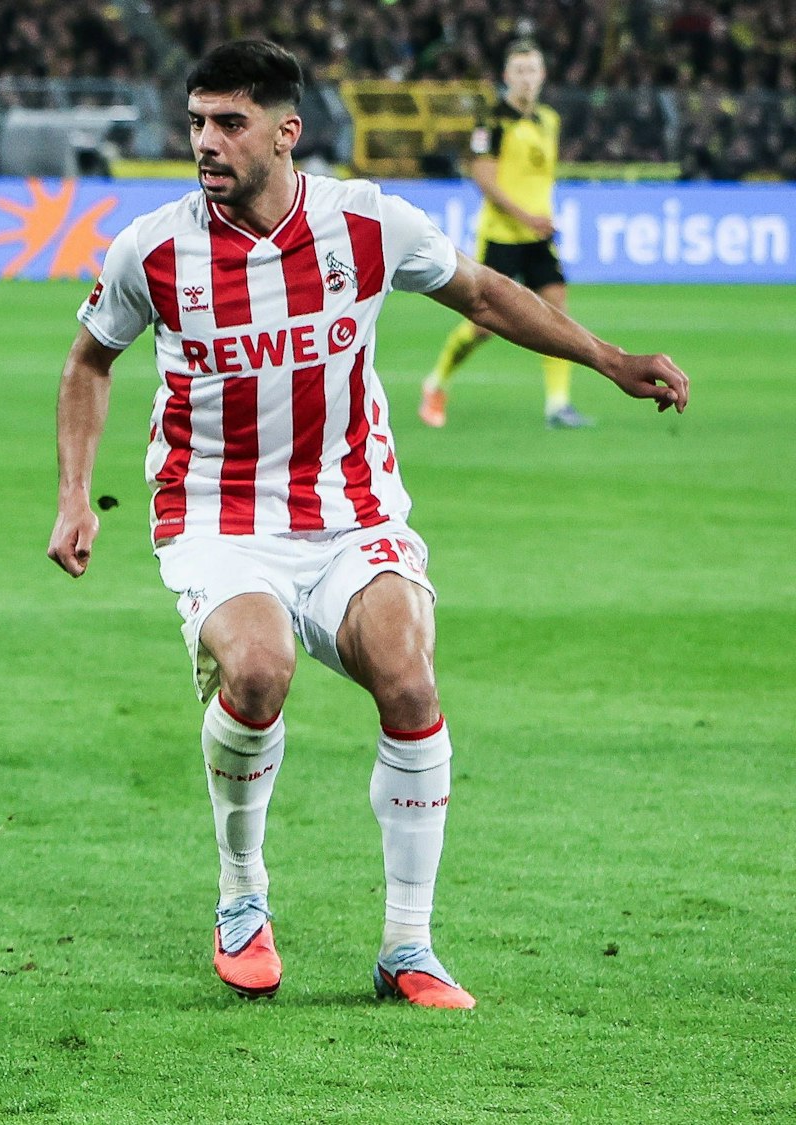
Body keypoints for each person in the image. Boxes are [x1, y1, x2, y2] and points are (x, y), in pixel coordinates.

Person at [48, 40, 686, 1009]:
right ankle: (239, 894)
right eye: (194, 123)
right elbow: (87, 361)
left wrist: (605, 358)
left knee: (406, 674)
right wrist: (72, 497)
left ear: (283, 130)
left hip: (350, 510)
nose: (204, 144)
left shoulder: (363, 223)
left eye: (227, 123)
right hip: (217, 515)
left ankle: (405, 947)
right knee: (257, 670)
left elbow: (479, 293)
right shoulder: (152, 248)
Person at [419, 42, 589, 429]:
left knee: (558, 316)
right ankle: (436, 384)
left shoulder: (548, 120)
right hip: (502, 236)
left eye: (533, 70)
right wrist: (527, 216)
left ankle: (558, 405)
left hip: (538, 237)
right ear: (506, 77)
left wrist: (540, 218)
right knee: (482, 326)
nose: (527, 78)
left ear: (543, 75)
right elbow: (483, 178)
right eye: (520, 71)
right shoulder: (492, 121)